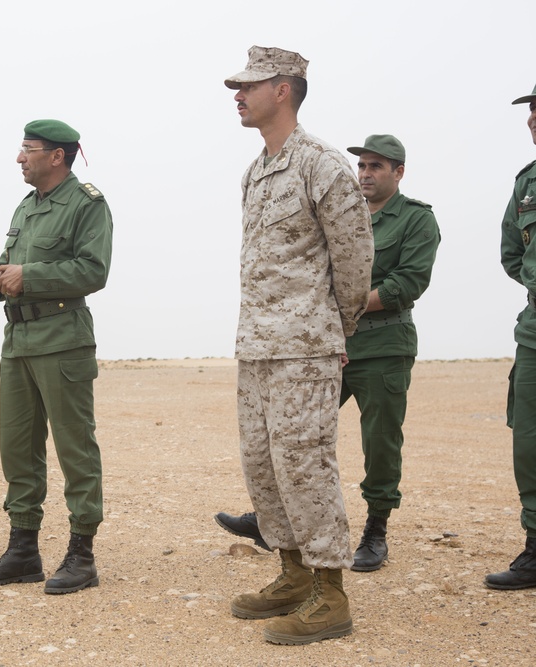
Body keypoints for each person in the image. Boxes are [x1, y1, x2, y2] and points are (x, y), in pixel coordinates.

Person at [215, 135, 441, 573]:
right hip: (323, 346)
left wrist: (340, 307)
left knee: (379, 443)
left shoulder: (415, 220)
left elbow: (406, 284)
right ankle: (273, 521)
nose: (366, 174)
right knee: (290, 436)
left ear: (399, 172)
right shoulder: (339, 206)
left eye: (377, 166)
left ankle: (376, 529)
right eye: (363, 166)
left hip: (381, 346)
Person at [222, 46, 374, 645]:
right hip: (257, 347)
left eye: (249, 85)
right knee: (264, 466)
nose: (238, 94)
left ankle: (330, 594)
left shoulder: (324, 166)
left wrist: (331, 330)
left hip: (305, 347)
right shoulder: (256, 172)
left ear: (283, 89)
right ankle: (290, 573)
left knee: (306, 465)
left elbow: (355, 261)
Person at [0, 119, 113, 595]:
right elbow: (11, 263)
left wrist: (28, 275)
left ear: (57, 156)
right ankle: (23, 549)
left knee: (75, 447)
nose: (19, 158)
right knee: (17, 448)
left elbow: (93, 270)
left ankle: (82, 553)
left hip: (62, 339)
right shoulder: (25, 207)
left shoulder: (87, 204)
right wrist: (3, 279)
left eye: (27, 149)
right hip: (18, 340)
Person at [489, 82, 536, 590]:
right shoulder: (527, 184)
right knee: (530, 441)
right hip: (535, 330)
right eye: (532, 111)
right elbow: (511, 254)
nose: (534, 118)